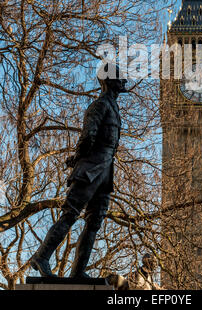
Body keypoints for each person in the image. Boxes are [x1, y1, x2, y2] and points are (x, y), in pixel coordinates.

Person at [31, 63, 128, 278]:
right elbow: (87, 137)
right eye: (120, 77)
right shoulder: (99, 105)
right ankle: (42, 256)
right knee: (71, 214)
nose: (125, 81)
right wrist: (77, 158)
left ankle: (78, 271)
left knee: (94, 222)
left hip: (105, 172)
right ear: (109, 80)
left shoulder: (114, 108)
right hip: (90, 169)